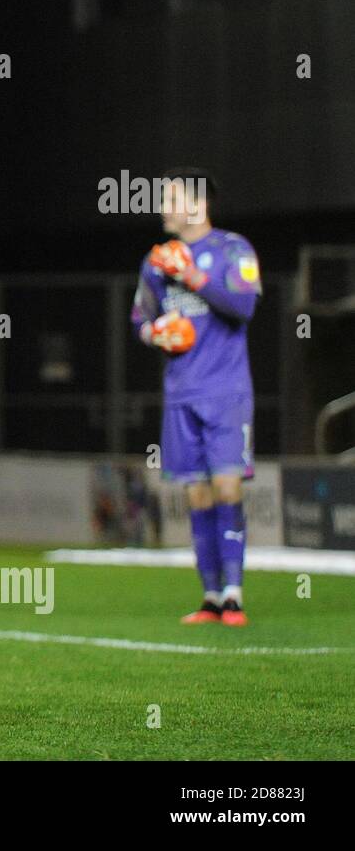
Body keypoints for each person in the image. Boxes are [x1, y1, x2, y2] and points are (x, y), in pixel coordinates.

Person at [131, 169, 260, 627]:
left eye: (171, 198)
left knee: (227, 487)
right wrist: (157, 334)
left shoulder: (233, 249)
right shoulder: (155, 261)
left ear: (198, 204)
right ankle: (209, 597)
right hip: (180, 394)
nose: (163, 207)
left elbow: (243, 306)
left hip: (226, 392)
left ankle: (233, 596)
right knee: (197, 496)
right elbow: (139, 318)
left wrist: (190, 275)